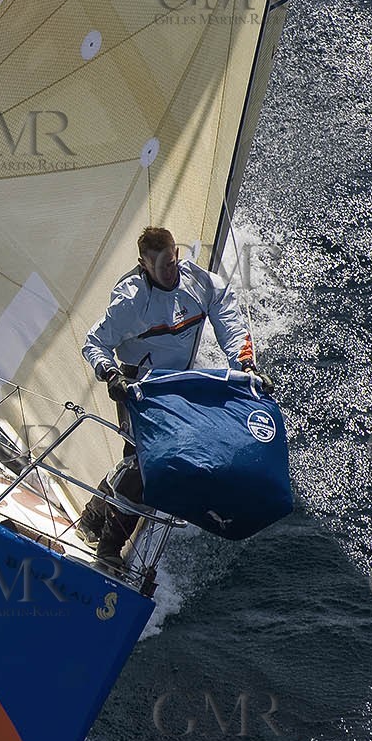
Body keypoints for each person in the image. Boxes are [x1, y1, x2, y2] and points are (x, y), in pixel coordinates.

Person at [77, 226, 271, 565]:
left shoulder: (198, 282)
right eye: (162, 265)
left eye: (173, 260)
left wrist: (245, 365)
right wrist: (110, 376)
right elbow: (94, 343)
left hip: (175, 381)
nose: (171, 270)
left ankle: (94, 514)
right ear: (144, 264)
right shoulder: (131, 301)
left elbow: (227, 317)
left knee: (143, 462)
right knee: (147, 464)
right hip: (136, 383)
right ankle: (109, 550)